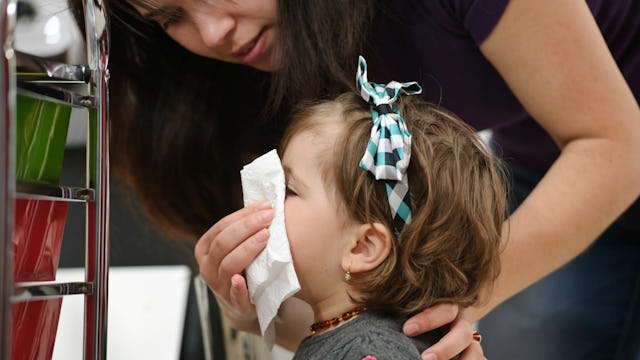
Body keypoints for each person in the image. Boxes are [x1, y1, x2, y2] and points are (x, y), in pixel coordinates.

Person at [70, 0, 640, 358]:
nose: (215, 31)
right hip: (543, 155)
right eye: (170, 17)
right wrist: (256, 307)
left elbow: (616, 144)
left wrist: (456, 296)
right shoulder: (253, 80)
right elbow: (335, 317)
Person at [207, 57, 506, 359]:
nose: (266, 200)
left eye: (290, 189)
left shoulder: (368, 351)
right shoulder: (353, 337)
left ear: (363, 247)